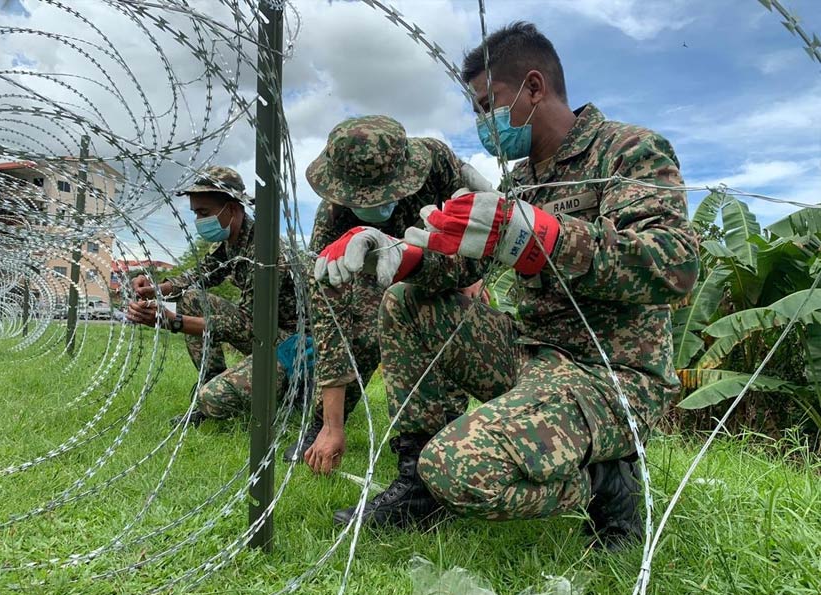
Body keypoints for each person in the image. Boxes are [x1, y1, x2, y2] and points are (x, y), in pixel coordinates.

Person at [322, 23, 699, 549]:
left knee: (456, 469)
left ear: (535, 87)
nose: (483, 122)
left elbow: (674, 265)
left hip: (611, 375)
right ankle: (417, 489)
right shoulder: (521, 179)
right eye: (476, 111)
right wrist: (397, 256)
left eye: (487, 106)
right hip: (530, 357)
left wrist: (539, 235)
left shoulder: (628, 150)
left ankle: (608, 484)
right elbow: (464, 268)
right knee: (407, 301)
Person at [292, 114, 491, 474]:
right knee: (368, 334)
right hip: (371, 267)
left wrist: (472, 277)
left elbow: (477, 218)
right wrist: (332, 426)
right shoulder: (330, 225)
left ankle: (430, 435)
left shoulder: (436, 162)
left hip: (438, 260)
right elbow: (331, 330)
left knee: (446, 330)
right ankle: (322, 423)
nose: (377, 201)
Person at [126, 166, 308, 425]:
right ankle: (212, 380)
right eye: (196, 214)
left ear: (232, 210)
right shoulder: (231, 244)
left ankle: (298, 391)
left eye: (204, 213)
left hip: (294, 345)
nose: (199, 221)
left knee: (212, 399)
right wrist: (155, 289)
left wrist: (173, 322)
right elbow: (197, 276)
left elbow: (248, 324)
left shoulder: (266, 251)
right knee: (190, 299)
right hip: (267, 336)